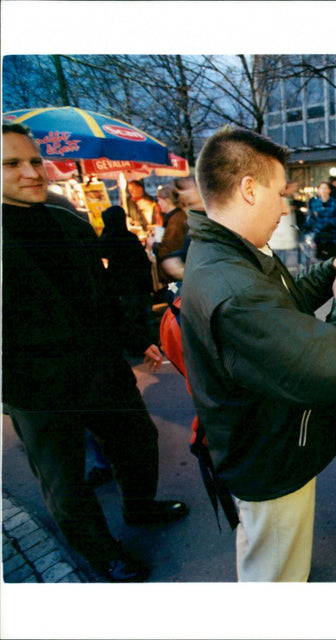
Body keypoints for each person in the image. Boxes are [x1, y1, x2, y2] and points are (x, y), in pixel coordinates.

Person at [179, 125, 336, 582]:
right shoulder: (237, 285)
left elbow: (283, 308)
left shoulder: (233, 254)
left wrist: (331, 270)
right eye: (278, 193)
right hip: (270, 459)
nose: (285, 208)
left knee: (263, 553)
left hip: (259, 448)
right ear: (248, 189)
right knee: (278, 574)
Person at [2, 123, 188, 583]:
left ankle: (140, 509)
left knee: (138, 442)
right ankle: (103, 554)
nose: (31, 171)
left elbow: (102, 294)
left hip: (101, 367)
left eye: (34, 160)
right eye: (12, 163)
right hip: (37, 386)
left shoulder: (68, 221)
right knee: (65, 481)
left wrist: (135, 337)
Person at [98, 205, 159, 352]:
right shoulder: (130, 238)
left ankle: (136, 345)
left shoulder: (108, 239)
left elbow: (100, 251)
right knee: (143, 315)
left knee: (129, 317)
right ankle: (149, 342)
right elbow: (144, 262)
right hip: (140, 284)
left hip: (123, 287)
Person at [152, 183, 189, 284]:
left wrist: (153, 245)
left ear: (167, 201)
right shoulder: (175, 217)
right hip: (174, 275)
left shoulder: (175, 220)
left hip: (175, 278)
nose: (158, 203)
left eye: (160, 200)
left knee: (175, 296)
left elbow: (170, 247)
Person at [305, 180, 336, 260]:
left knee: (333, 260)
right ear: (318, 190)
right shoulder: (314, 202)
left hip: (333, 237)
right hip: (320, 237)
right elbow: (311, 218)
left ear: (329, 190)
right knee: (321, 260)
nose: (323, 190)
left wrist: (325, 223)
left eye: (325, 188)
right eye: (321, 188)